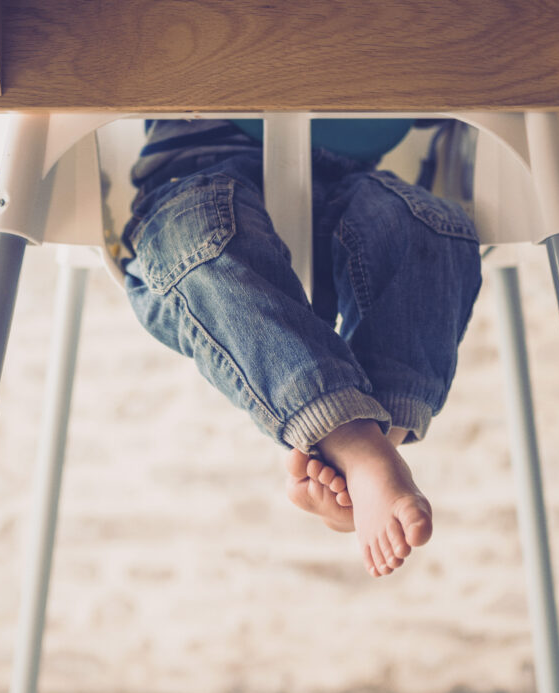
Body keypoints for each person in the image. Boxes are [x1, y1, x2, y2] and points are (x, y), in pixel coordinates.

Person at [120, 118, 481, 578]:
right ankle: (356, 447)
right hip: (195, 177)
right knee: (205, 240)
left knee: (425, 224)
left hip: (343, 187)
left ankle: (368, 450)